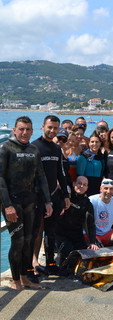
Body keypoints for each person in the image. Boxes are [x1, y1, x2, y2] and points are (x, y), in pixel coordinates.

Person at [0, 116, 52, 290]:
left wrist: (48, 201)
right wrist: (7, 205)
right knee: (18, 241)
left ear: (32, 130)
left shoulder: (34, 150)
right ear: (14, 130)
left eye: (28, 129)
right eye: (21, 129)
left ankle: (25, 277)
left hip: (30, 201)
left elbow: (41, 176)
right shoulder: (6, 148)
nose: (24, 132)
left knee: (29, 240)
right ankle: (16, 281)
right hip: (12, 203)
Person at [32, 115, 70, 275]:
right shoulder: (34, 147)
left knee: (51, 231)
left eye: (55, 128)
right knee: (36, 231)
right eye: (50, 127)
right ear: (43, 127)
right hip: (38, 196)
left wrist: (66, 195)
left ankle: (50, 263)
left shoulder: (56, 149)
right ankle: (33, 264)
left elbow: (61, 173)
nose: (52, 130)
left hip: (54, 195)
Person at [55, 176, 99, 266]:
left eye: (84, 185)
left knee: (83, 254)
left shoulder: (87, 204)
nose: (81, 186)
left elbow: (90, 224)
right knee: (68, 250)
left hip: (76, 235)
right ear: (74, 184)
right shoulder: (65, 197)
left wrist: (92, 242)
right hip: (60, 234)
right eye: (79, 183)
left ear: (87, 188)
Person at [77, 131, 105, 196]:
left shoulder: (102, 157)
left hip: (98, 186)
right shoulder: (83, 157)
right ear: (89, 143)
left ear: (100, 143)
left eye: (97, 142)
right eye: (92, 142)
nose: (94, 144)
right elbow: (79, 175)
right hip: (86, 187)